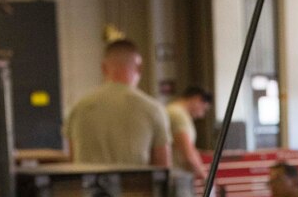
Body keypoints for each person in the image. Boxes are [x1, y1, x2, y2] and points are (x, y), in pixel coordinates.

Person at [65, 38, 170, 167]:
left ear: (103, 68)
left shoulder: (78, 108)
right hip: (136, 187)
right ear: (139, 68)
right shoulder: (153, 109)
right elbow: (163, 170)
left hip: (87, 187)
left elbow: (72, 163)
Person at [164, 85, 212, 172]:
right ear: (197, 99)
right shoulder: (178, 115)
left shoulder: (175, 111)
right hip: (177, 174)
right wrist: (206, 178)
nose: (201, 115)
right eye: (203, 109)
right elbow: (188, 153)